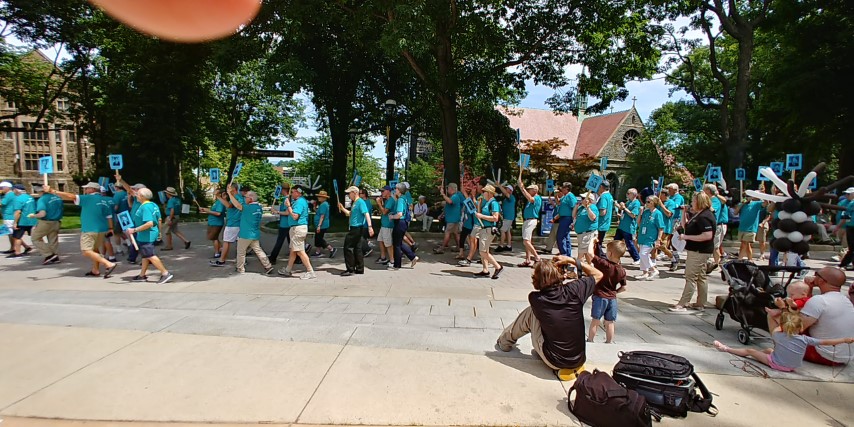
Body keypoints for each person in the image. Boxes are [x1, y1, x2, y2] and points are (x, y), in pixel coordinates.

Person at [496, 256, 603, 380]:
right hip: (579, 359)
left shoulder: (536, 299)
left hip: (554, 361)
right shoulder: (575, 290)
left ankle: (504, 342)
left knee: (531, 313)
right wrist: (572, 260)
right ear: (561, 275)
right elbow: (599, 274)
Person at [713, 309, 854, 372]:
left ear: (783, 326)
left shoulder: (778, 335)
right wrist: (845, 339)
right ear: (800, 327)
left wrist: (775, 315)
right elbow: (826, 342)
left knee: (751, 351)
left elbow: (775, 326)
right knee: (769, 350)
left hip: (778, 364)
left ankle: (726, 348)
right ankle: (765, 354)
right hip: (793, 366)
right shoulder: (805, 339)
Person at [49, 182, 118, 278]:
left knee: (86, 250)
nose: (85, 190)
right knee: (94, 249)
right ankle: (95, 270)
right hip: (102, 229)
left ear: (93, 189)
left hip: (89, 229)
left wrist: (53, 191)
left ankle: (108, 263)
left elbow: (71, 196)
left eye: (87, 188)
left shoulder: (87, 198)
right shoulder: (104, 200)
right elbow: (109, 216)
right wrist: (111, 228)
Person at [670, 192, 716, 312]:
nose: (691, 203)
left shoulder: (704, 217)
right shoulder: (698, 215)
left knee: (690, 276)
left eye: (693, 201)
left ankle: (683, 303)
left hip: (699, 251)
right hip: (697, 250)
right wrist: (683, 212)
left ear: (699, 202)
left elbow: (707, 235)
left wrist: (686, 237)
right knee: (701, 276)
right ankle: (701, 303)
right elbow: (686, 226)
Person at [798, 267, 854, 365]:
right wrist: (809, 289)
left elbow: (797, 327)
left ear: (821, 280)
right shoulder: (846, 300)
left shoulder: (819, 300)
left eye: (816, 274)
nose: (813, 276)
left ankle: (777, 357)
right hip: (845, 357)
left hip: (824, 355)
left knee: (780, 320)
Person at [127, 187, 173, 284]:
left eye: (138, 194)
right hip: (150, 233)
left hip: (146, 234)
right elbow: (159, 219)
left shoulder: (145, 207)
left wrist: (134, 230)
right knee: (145, 255)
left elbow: (149, 223)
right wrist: (159, 232)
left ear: (142, 196)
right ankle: (142, 275)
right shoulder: (153, 205)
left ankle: (165, 273)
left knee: (150, 255)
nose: (136, 196)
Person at [587, 240, 628, 344]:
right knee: (610, 322)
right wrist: (615, 292)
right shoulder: (622, 270)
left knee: (595, 320)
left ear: (610, 253)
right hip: (612, 299)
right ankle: (609, 341)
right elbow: (624, 287)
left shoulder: (604, 265)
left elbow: (590, 254)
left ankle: (590, 339)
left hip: (600, 296)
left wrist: (591, 240)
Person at [277, 186, 315, 279]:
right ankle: (288, 270)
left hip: (298, 228)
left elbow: (295, 216)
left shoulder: (299, 202)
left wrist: (288, 206)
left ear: (298, 193)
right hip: (296, 228)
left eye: (293, 192)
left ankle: (310, 271)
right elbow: (290, 213)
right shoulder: (298, 201)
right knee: (293, 251)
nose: (291, 193)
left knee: (299, 251)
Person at [339, 186, 373, 276]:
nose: (348, 195)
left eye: (349, 193)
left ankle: (350, 269)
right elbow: (350, 214)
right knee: (357, 248)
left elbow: (366, 214)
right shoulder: (355, 203)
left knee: (348, 247)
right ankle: (359, 268)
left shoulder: (360, 202)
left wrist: (370, 227)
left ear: (354, 193)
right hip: (355, 228)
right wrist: (342, 208)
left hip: (356, 228)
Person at [471, 184, 502, 278]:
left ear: (489, 193)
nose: (483, 193)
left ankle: (498, 267)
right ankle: (485, 270)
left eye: (484, 191)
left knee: (482, 251)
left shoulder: (493, 203)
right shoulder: (487, 202)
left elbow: (495, 218)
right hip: (484, 229)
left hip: (489, 229)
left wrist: (481, 216)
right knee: (485, 249)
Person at [211, 183, 243, 267]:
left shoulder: (235, 197)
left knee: (226, 242)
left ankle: (221, 260)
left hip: (233, 224)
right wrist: (223, 198)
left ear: (233, 189)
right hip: (238, 223)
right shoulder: (239, 197)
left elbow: (229, 206)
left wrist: (218, 197)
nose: (227, 189)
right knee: (239, 243)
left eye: (229, 188)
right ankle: (241, 260)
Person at [30, 184, 63, 264]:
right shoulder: (57, 197)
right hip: (57, 221)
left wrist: (34, 215)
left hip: (46, 222)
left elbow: (42, 213)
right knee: (53, 240)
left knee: (35, 238)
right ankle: (55, 256)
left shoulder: (42, 199)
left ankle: (49, 255)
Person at [635, 195, 664, 280]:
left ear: (654, 203)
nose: (646, 203)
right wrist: (640, 213)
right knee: (642, 254)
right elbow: (639, 223)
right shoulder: (646, 212)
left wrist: (658, 239)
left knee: (643, 253)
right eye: (646, 201)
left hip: (651, 237)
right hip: (642, 236)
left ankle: (653, 269)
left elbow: (661, 228)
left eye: (648, 202)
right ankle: (645, 272)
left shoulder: (658, 213)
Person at [391, 182, 419, 270]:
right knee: (399, 242)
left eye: (396, 189)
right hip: (404, 223)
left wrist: (392, 217)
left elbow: (399, 214)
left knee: (396, 244)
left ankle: (397, 265)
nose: (395, 190)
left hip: (399, 222)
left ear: (399, 190)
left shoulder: (400, 200)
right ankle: (412, 257)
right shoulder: (404, 198)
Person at [517, 178, 542, 267]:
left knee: (526, 241)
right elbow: (528, 197)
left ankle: (537, 257)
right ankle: (527, 260)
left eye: (529, 190)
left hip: (531, 220)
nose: (528, 191)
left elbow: (530, 199)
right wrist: (522, 188)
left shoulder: (537, 198)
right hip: (527, 220)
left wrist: (522, 188)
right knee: (528, 241)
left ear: (535, 190)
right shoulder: (531, 199)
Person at [7, 184, 36, 258]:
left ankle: (17, 252)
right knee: (36, 237)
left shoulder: (18, 199)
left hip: (22, 221)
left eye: (13, 190)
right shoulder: (30, 197)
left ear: (16, 190)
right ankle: (44, 250)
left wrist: (15, 223)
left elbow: (18, 212)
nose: (13, 191)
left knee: (17, 236)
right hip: (32, 219)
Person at [435, 183, 464, 254]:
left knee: (447, 232)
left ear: (451, 189)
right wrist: (441, 214)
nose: (447, 190)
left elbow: (450, 202)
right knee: (455, 233)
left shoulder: (455, 196)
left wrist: (443, 194)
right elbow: (447, 207)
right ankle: (459, 247)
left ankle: (442, 248)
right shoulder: (452, 196)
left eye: (448, 188)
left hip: (453, 219)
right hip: (453, 219)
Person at [614, 188, 641, 265]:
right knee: (616, 242)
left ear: (634, 195)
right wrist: (617, 205)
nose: (627, 194)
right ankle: (615, 257)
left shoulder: (636, 203)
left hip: (628, 227)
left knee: (629, 243)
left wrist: (624, 208)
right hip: (622, 226)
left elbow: (633, 215)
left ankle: (637, 258)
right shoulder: (629, 202)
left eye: (629, 193)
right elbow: (622, 209)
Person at [199, 187, 227, 259]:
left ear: (220, 194)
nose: (214, 191)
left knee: (214, 238)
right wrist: (204, 210)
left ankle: (217, 253)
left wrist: (207, 211)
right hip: (213, 222)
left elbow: (218, 213)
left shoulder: (220, 202)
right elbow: (213, 211)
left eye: (216, 191)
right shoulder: (217, 201)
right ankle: (221, 249)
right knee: (214, 238)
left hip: (216, 223)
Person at [653, 189, 677, 271]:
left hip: (665, 227)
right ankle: (653, 264)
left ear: (664, 195)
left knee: (661, 246)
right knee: (653, 246)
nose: (659, 196)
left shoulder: (671, 203)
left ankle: (673, 258)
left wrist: (661, 205)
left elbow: (669, 214)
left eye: (660, 194)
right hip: (655, 226)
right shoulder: (658, 202)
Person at [268, 182, 292, 264]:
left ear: (283, 190)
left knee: (280, 241)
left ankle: (273, 257)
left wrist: (276, 212)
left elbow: (287, 212)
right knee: (291, 242)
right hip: (287, 223)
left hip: (285, 224)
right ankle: (297, 258)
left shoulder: (287, 199)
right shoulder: (287, 198)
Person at [705, 184, 727, 270]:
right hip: (713, 226)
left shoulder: (715, 200)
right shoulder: (711, 199)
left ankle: (716, 264)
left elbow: (712, 210)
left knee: (715, 246)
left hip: (718, 226)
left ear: (708, 191)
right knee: (713, 245)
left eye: (704, 189)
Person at [736, 195, 765, 260]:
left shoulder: (756, 204)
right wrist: (741, 204)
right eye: (745, 196)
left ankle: (739, 259)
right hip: (742, 228)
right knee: (747, 245)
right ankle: (750, 259)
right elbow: (735, 213)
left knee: (744, 244)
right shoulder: (741, 204)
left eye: (748, 196)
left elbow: (765, 204)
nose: (747, 197)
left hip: (751, 228)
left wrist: (763, 196)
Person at [573, 193, 598, 264]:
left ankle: (578, 268)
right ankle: (591, 267)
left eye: (583, 198)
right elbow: (573, 215)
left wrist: (588, 208)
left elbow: (593, 218)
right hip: (581, 234)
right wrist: (576, 207)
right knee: (587, 254)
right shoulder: (581, 208)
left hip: (587, 233)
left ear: (589, 200)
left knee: (581, 254)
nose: (581, 200)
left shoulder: (593, 207)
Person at [310, 190, 336, 258]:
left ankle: (331, 249)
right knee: (318, 238)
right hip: (321, 225)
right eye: (319, 196)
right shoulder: (322, 204)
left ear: (324, 198)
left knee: (319, 239)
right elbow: (319, 212)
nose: (319, 198)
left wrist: (319, 225)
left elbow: (322, 216)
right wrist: (314, 207)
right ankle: (317, 252)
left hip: (322, 225)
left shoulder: (324, 205)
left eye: (320, 197)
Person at [375, 186, 396, 266]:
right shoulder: (386, 200)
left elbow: (384, 212)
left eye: (383, 191)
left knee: (388, 243)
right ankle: (383, 257)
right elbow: (382, 210)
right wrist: (381, 203)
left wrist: (379, 203)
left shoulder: (391, 200)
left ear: (388, 191)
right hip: (384, 224)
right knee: (380, 240)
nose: (381, 193)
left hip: (388, 225)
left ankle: (392, 260)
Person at [555, 182, 577, 256]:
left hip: (567, 218)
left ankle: (563, 253)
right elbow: (559, 203)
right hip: (563, 218)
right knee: (566, 237)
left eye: (563, 187)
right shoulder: (565, 196)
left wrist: (574, 220)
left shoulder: (570, 196)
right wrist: (555, 196)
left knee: (560, 236)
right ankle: (567, 254)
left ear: (567, 188)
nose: (561, 189)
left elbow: (574, 207)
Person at [594, 181, 614, 257]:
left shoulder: (603, 197)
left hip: (600, 223)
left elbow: (603, 212)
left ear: (601, 187)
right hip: (606, 222)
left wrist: (594, 214)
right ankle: (600, 255)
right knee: (599, 242)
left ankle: (599, 257)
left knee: (597, 242)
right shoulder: (610, 196)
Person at [99, 186, 117, 262]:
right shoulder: (111, 199)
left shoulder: (100, 200)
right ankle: (103, 255)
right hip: (113, 220)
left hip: (105, 222)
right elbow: (115, 208)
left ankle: (112, 256)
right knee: (104, 239)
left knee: (106, 240)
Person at [837, 188, 854, 270]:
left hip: (850, 227)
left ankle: (844, 264)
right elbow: (845, 216)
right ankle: (844, 263)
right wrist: (838, 227)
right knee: (852, 248)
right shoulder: (851, 203)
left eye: (848, 194)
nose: (847, 195)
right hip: (851, 227)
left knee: (852, 248)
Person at [497, 185, 516, 252]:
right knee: (508, 231)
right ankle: (509, 245)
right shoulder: (506, 199)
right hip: (508, 217)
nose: (505, 189)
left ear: (510, 190)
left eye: (506, 189)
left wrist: (499, 185)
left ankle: (501, 246)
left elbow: (505, 193)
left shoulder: (511, 197)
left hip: (508, 217)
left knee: (502, 230)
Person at [1, 181, 17, 251]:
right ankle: (12, 248)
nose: (1, 189)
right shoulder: (10, 194)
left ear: (7, 188)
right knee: (10, 233)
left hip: (9, 215)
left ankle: (15, 248)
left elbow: (2, 203)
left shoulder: (9, 195)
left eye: (2, 188)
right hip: (9, 215)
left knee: (11, 233)